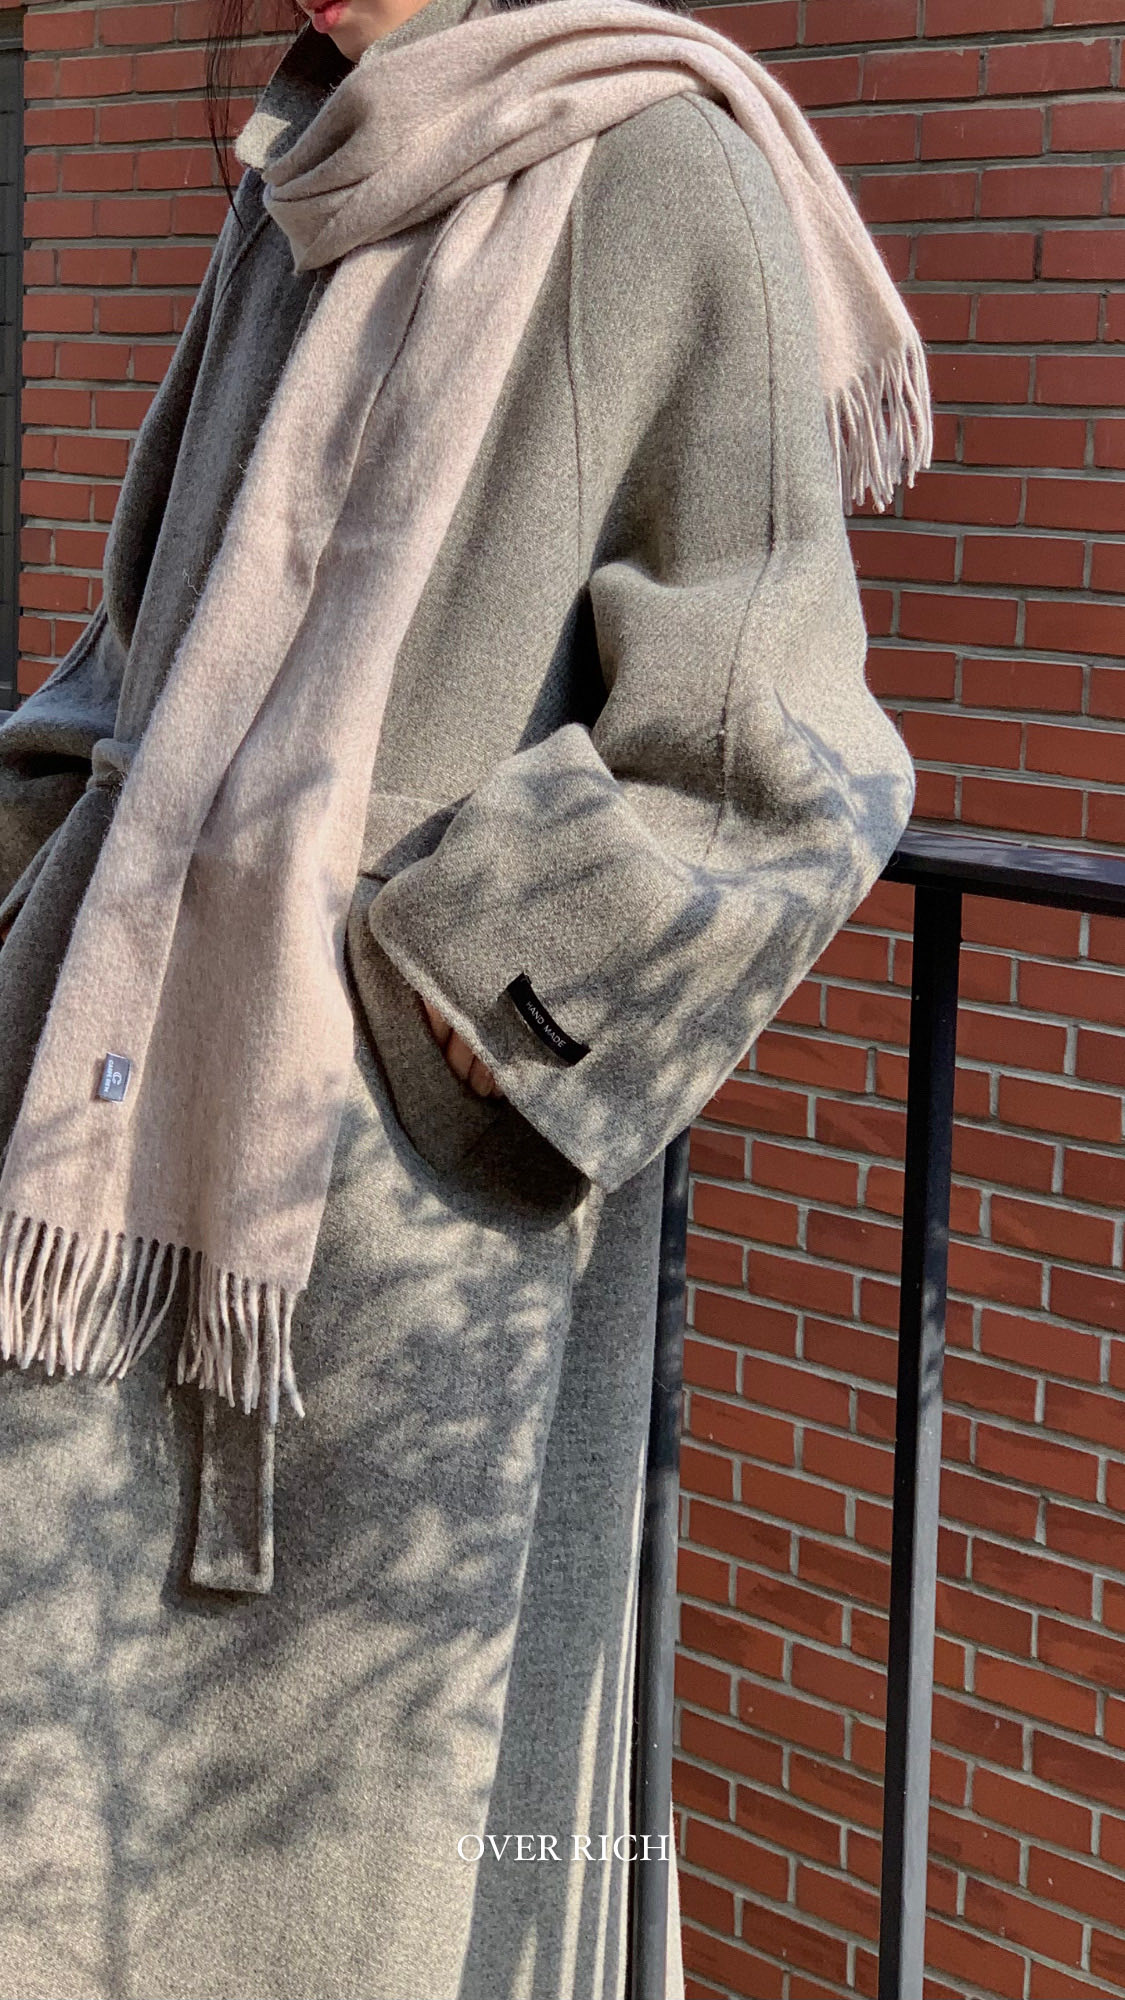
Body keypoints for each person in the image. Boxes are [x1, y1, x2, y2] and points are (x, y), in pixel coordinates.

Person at [0, 0, 925, 1994]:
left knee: (356, 1859)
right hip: (120, 1114)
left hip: (400, 1220)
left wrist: (469, 1007)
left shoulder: (658, 170)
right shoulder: (304, 173)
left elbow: (771, 754)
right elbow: (138, 645)